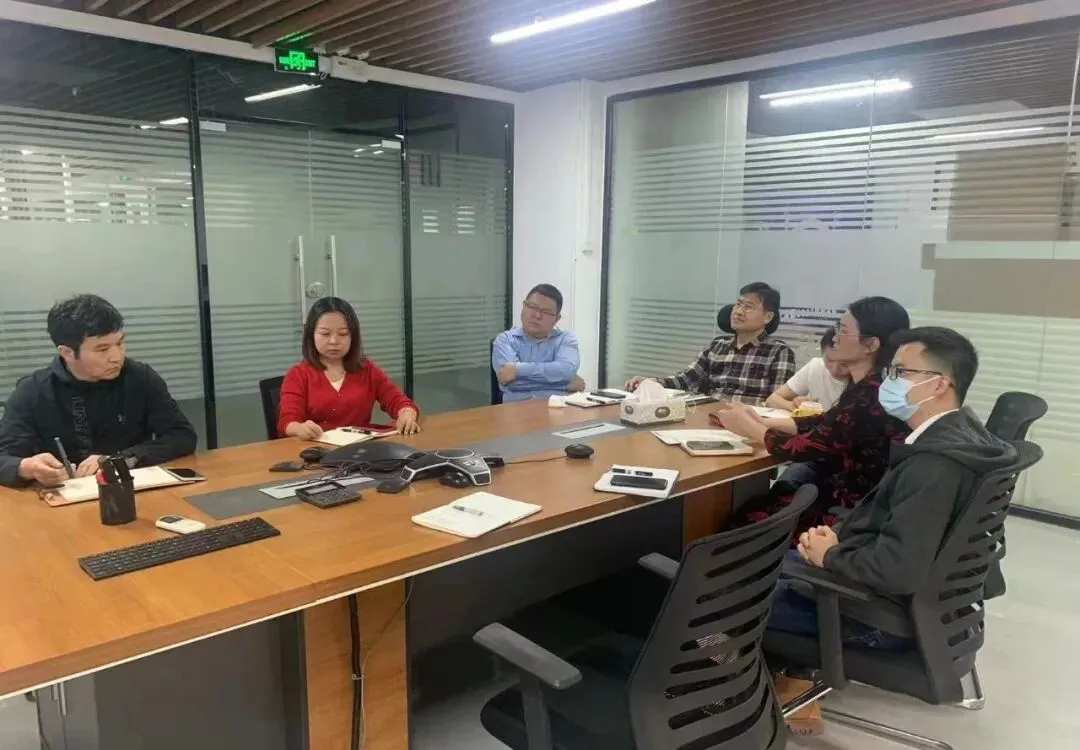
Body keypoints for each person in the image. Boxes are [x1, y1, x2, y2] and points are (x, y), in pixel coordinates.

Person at [769, 326, 1017, 734]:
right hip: (925, 612)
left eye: (900, 372)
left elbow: (897, 569)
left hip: (879, 617)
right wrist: (836, 541)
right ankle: (785, 680)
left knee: (721, 599)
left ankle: (733, 706)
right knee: (763, 567)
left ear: (939, 384)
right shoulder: (965, 436)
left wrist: (831, 556)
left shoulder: (934, 466)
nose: (888, 382)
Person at [716, 296, 911, 532]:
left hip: (847, 511)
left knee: (742, 522)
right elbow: (828, 424)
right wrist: (761, 420)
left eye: (843, 330)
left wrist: (752, 429)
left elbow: (808, 447)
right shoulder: (869, 385)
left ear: (871, 345)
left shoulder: (871, 394)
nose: (835, 337)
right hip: (835, 490)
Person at [0, 294, 197, 487]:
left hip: (128, 489)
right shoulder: (33, 391)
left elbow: (182, 436)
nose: (116, 357)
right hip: (63, 496)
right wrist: (27, 467)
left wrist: (123, 458)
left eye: (120, 343)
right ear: (67, 353)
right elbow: (4, 457)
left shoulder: (140, 378)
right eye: (102, 349)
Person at [624, 282, 795, 404]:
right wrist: (652, 382)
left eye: (748, 307)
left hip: (749, 423)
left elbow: (776, 402)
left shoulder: (779, 352)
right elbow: (687, 379)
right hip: (709, 418)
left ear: (768, 317)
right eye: (738, 304)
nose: (738, 311)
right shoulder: (717, 346)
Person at [278, 297, 419, 439]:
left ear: (353, 336)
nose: (334, 341)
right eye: (325, 334)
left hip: (359, 448)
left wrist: (407, 414)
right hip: (315, 447)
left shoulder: (367, 369)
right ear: (311, 335)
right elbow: (287, 422)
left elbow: (399, 401)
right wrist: (299, 428)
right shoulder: (298, 374)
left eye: (343, 334)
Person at [492, 284, 585, 403]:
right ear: (523, 307)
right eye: (532, 307)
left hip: (559, 409)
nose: (537, 315)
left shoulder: (565, 339)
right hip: (517, 410)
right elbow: (512, 384)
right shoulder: (505, 340)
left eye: (546, 312)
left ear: (557, 319)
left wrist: (518, 369)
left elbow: (566, 370)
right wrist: (564, 384)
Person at [765, 328, 849, 412]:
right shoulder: (816, 367)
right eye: (829, 360)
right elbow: (772, 400)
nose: (835, 369)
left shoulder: (856, 383)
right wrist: (797, 407)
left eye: (844, 364)